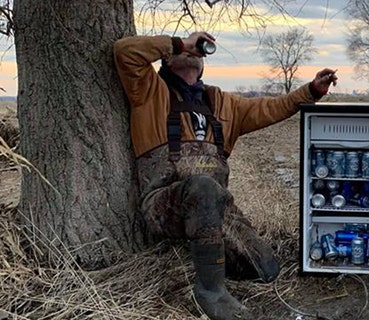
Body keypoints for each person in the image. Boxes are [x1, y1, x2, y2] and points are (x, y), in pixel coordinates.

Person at [114, 32, 337, 320]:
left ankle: (205, 253)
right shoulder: (148, 91)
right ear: (167, 59)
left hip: (217, 207)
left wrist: (312, 91)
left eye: (198, 52)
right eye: (186, 50)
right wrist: (180, 43)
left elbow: (271, 107)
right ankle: (211, 292)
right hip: (163, 203)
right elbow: (124, 52)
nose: (193, 53)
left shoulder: (222, 104)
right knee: (203, 187)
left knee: (266, 268)